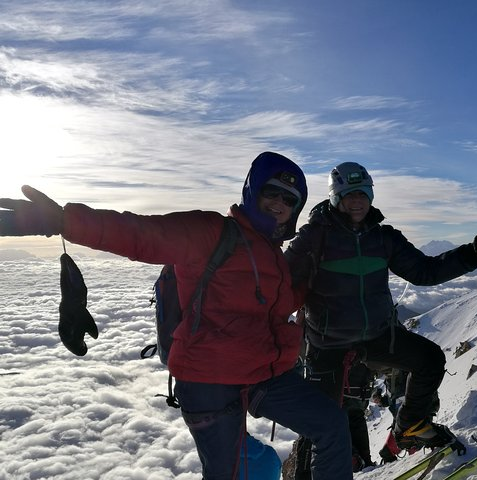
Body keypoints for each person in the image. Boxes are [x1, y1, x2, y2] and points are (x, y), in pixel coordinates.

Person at [0, 152, 352, 480]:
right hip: (208, 381)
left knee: (332, 425)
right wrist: (64, 220)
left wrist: (326, 278)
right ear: (252, 190)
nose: (279, 204)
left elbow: (281, 302)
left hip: (263, 374)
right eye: (271, 193)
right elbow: (140, 234)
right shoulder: (210, 232)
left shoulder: (272, 254)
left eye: (290, 200)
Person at [284, 161, 477, 468]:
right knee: (321, 425)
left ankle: (409, 426)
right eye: (349, 194)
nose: (357, 200)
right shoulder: (314, 237)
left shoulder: (383, 237)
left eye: (363, 193)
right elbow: (282, 282)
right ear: (335, 197)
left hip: (377, 335)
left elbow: (423, 270)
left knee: (430, 360)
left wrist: (471, 255)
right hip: (327, 343)